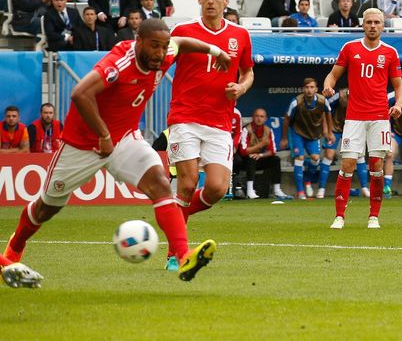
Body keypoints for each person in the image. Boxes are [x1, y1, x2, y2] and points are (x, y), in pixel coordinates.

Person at [2, 19, 232, 281]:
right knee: (46, 208)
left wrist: (216, 52)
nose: (160, 52)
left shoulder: (165, 53)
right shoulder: (120, 62)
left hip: (124, 139)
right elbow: (80, 93)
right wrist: (103, 135)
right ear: (139, 41)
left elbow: (184, 44)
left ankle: (182, 257)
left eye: (163, 46)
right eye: (154, 46)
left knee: (159, 183)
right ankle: (15, 248)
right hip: (83, 144)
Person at [167, 0, 254, 269]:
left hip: (219, 120)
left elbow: (248, 72)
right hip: (184, 117)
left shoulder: (240, 35)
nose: (211, 2)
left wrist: (241, 88)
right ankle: (174, 254)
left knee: (217, 188)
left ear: (226, 1)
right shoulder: (183, 31)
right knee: (188, 184)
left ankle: (178, 215)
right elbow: (163, 59)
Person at [323, 8, 402, 229]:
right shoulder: (350, 48)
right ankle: (339, 216)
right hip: (354, 117)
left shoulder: (390, 52)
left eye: (377, 22)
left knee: (376, 165)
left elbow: (399, 85)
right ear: (363, 24)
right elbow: (333, 74)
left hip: (379, 116)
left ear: (383, 25)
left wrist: (397, 104)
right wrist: (328, 86)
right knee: (347, 163)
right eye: (369, 22)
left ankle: (373, 217)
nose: (372, 26)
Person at [280, 78, 334, 199]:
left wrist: (329, 132)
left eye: (311, 87)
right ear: (303, 89)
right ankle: (300, 192)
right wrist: (284, 138)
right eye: (307, 87)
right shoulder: (296, 101)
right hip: (298, 132)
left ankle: (307, 180)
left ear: (316, 89)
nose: (309, 90)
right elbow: (286, 119)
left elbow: (329, 114)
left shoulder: (322, 100)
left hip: (314, 134)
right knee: (299, 158)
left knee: (316, 159)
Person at [317, 88, 371, 199]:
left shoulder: (364, 95)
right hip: (336, 129)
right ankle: (321, 189)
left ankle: (365, 188)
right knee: (328, 155)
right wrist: (328, 130)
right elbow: (325, 108)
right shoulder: (340, 95)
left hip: (353, 129)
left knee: (359, 156)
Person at [237, 108, 293, 199]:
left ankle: (277, 190)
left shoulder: (268, 130)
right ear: (253, 117)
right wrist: (260, 145)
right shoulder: (246, 129)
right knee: (251, 159)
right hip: (245, 161)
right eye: (257, 116)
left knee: (275, 160)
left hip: (259, 158)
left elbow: (272, 151)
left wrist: (260, 155)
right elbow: (243, 151)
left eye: (262, 116)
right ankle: (250, 190)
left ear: (265, 119)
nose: (259, 118)